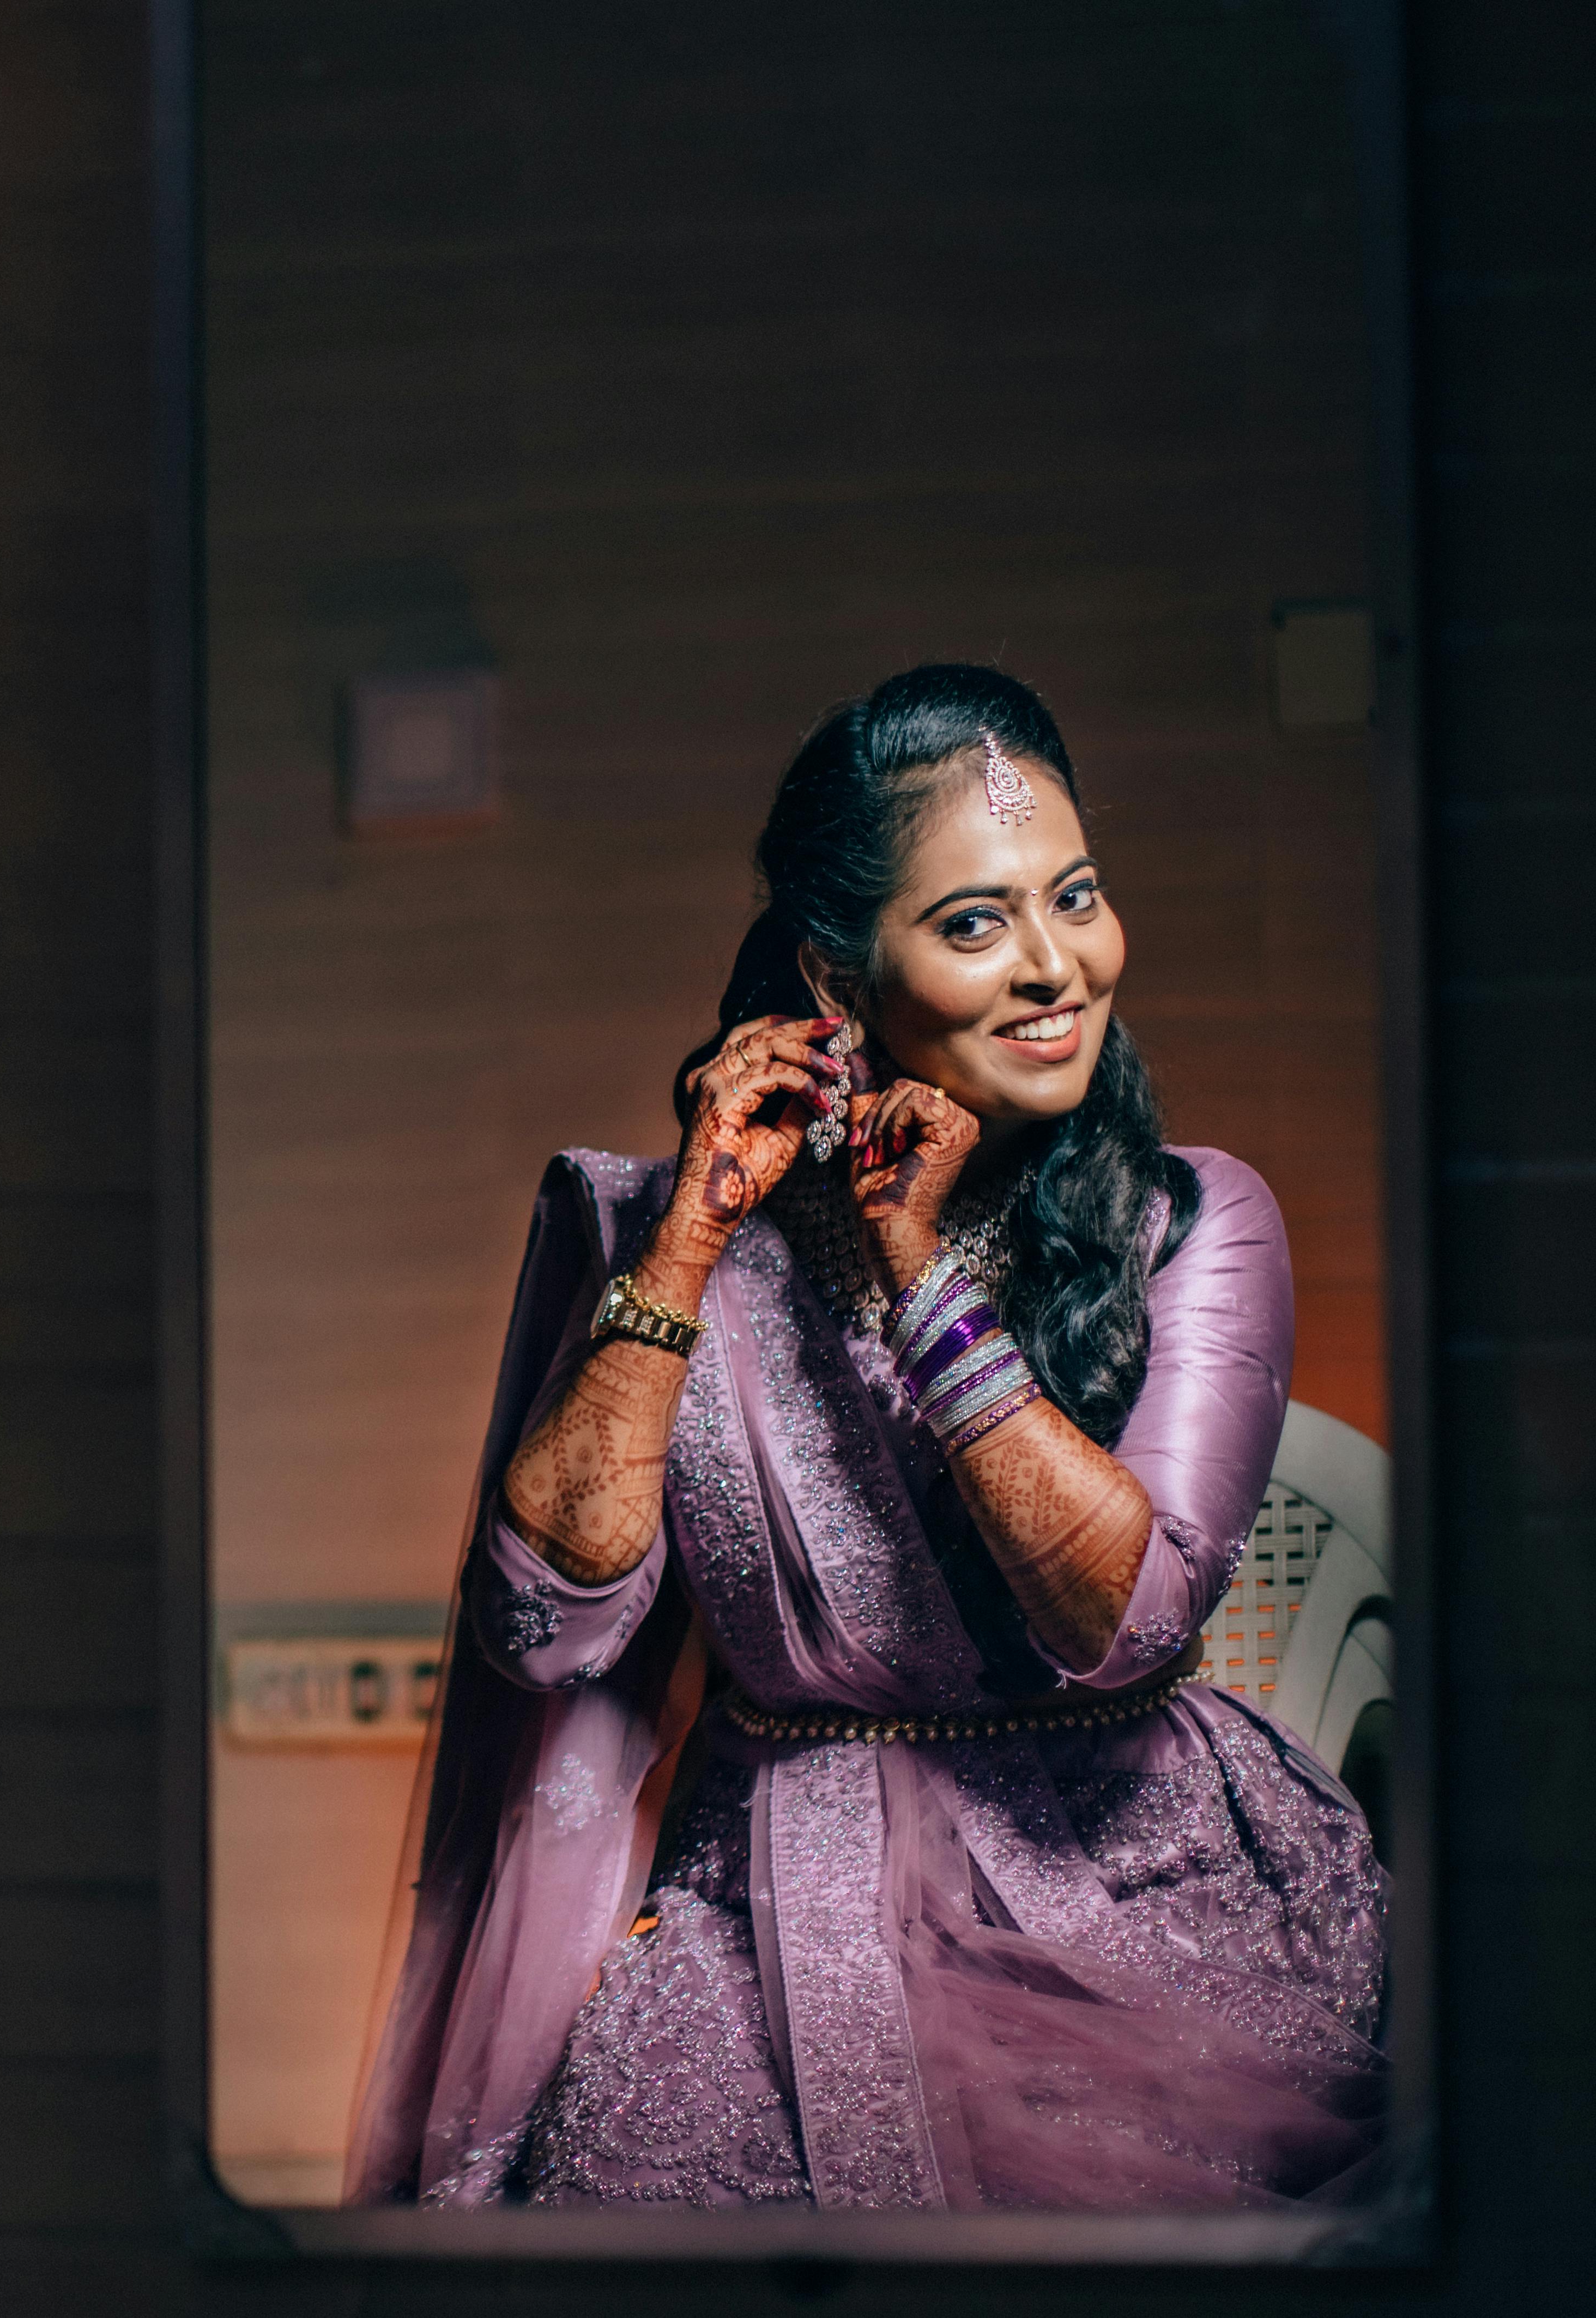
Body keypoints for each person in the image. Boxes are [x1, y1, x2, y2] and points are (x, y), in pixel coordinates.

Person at [345, 665, 1389, 2212]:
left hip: (1128, 1873)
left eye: (1076, 897)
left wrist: (915, 1268)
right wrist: (690, 1247)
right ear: (837, 983)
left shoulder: (1186, 1217)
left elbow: (1126, 1624)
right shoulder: (666, 1224)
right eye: (974, 923)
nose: (1055, 968)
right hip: (764, 1889)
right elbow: (543, 1629)